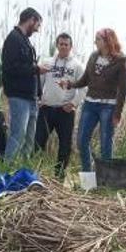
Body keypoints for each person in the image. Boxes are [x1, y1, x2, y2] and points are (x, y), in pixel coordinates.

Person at [61, 28, 126, 173]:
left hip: (108, 106)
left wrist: (118, 113)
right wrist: (71, 84)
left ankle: (105, 177)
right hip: (90, 104)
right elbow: (86, 79)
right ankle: (89, 173)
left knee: (105, 143)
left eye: (98, 39)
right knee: (81, 141)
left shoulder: (120, 61)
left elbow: (123, 90)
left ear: (107, 41)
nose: (95, 42)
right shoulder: (93, 57)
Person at [2, 7, 49, 161]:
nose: (38, 29)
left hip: (31, 97)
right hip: (19, 96)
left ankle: (23, 169)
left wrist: (39, 94)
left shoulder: (25, 40)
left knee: (29, 137)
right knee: (18, 135)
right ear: (31, 20)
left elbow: (30, 68)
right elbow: (11, 67)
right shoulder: (13, 39)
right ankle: (8, 170)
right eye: (37, 25)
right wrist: (36, 69)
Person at [36, 33, 84, 177]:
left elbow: (83, 88)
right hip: (47, 109)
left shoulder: (77, 65)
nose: (63, 47)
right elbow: (39, 82)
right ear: (57, 45)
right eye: (61, 44)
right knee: (38, 142)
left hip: (65, 111)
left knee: (65, 145)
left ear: (71, 46)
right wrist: (39, 99)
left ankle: (59, 176)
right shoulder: (48, 62)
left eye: (66, 44)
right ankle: (37, 173)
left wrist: (73, 103)